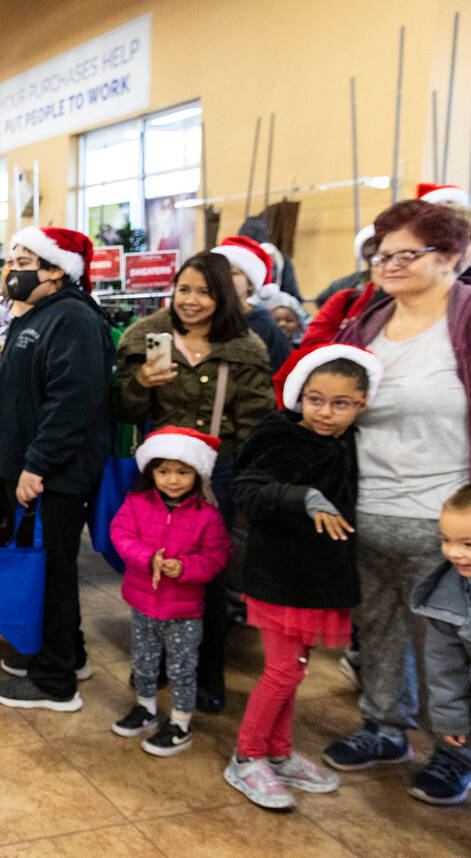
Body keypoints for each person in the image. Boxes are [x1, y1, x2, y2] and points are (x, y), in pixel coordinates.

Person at [323, 198, 471, 773]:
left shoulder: (464, 321)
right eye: (382, 254)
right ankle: (383, 727)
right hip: (367, 509)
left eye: (409, 253)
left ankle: (452, 753)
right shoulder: (368, 323)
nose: (390, 264)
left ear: (452, 257)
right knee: (378, 632)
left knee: (446, 650)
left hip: (445, 521)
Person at [114, 251, 276, 712]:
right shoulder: (149, 339)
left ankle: (207, 668)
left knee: (206, 572)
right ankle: (156, 661)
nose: (192, 300)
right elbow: (123, 411)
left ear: (224, 296)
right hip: (158, 470)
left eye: (205, 291)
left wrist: (245, 487)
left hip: (216, 473)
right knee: (153, 564)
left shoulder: (245, 348)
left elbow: (255, 426)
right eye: (184, 289)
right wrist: (141, 381)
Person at [227, 344, 383, 810]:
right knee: (280, 670)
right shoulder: (280, 434)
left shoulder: (344, 442)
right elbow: (249, 489)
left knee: (294, 671)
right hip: (280, 576)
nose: (325, 412)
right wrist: (303, 497)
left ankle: (278, 752)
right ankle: (247, 755)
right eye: (315, 399)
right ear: (300, 395)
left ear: (362, 404)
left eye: (340, 403)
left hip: (317, 579)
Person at [0, 226, 113, 711]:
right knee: (51, 568)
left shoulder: (73, 318)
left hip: (54, 474)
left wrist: (36, 465)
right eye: (11, 259)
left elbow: (73, 401)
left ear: (56, 269)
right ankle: (67, 654)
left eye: (24, 259)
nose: (12, 268)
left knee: (51, 573)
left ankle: (55, 682)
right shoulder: (40, 314)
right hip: (33, 469)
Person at [109, 427, 230, 756]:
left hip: (184, 610)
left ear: (197, 473)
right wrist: (147, 557)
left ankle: (180, 723)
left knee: (181, 667)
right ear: (151, 472)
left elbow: (217, 556)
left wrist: (187, 569)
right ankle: (146, 709)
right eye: (163, 471)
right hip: (142, 603)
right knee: (144, 662)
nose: (172, 480)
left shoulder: (208, 516)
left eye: (182, 472)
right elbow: (120, 534)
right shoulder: (136, 504)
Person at [409, 485, 471, 805]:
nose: (454, 553)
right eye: (446, 540)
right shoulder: (447, 595)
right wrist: (450, 718)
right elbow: (443, 665)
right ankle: (454, 761)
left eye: (468, 544)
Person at [211, 236, 292, 371]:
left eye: (232, 273)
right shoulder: (201, 319)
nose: (223, 278)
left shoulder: (265, 327)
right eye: (217, 272)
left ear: (250, 283)